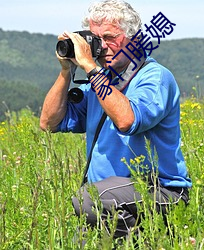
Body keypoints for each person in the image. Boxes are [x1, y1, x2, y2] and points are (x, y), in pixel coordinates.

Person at [40, 0, 192, 244]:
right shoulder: (98, 83)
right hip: (110, 199)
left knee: (88, 200)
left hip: (160, 192)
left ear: (134, 39)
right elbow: (49, 123)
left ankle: (146, 241)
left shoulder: (154, 77)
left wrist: (90, 67)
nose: (102, 46)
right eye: (95, 38)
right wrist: (66, 70)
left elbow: (127, 121)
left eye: (110, 37)